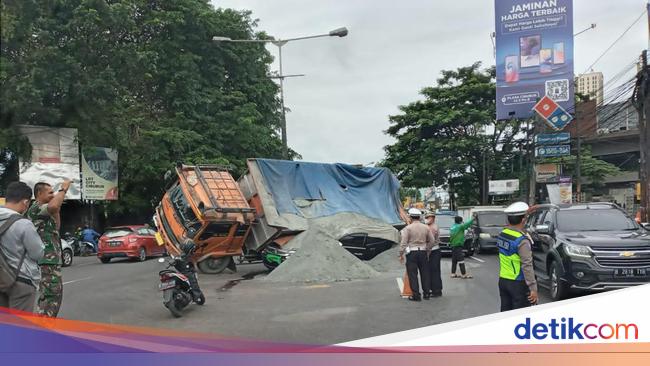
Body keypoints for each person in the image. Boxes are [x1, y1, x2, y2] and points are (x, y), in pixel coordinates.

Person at [26, 179, 71, 317]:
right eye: (50, 192)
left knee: (54, 296)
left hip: (51, 261)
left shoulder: (47, 212)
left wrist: (57, 207)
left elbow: (56, 227)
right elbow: (52, 207)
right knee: (51, 296)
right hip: (45, 261)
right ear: (39, 193)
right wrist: (63, 190)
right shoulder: (36, 208)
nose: (53, 195)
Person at [0, 182, 45, 312]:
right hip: (21, 281)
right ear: (25, 202)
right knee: (20, 326)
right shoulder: (24, 224)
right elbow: (37, 253)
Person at [497, 201, 538, 312]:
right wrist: (533, 288)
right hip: (518, 283)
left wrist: (526, 212)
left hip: (503, 281)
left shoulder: (502, 234)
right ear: (524, 220)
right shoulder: (522, 241)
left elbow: (513, 226)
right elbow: (527, 265)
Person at [399, 208, 435, 301]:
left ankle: (416, 295)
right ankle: (426, 294)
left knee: (413, 275)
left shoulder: (408, 228)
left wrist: (401, 254)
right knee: (425, 274)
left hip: (412, 253)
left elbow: (403, 243)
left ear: (410, 217)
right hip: (423, 252)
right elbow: (432, 241)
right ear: (419, 217)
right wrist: (428, 249)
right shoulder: (426, 227)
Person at [424, 212, 442, 297]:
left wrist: (428, 251)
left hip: (433, 251)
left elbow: (430, 241)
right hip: (433, 250)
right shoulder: (428, 227)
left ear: (433, 218)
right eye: (427, 217)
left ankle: (436, 290)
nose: (428, 219)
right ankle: (434, 289)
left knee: (434, 271)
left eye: (429, 218)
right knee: (432, 271)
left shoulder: (433, 228)